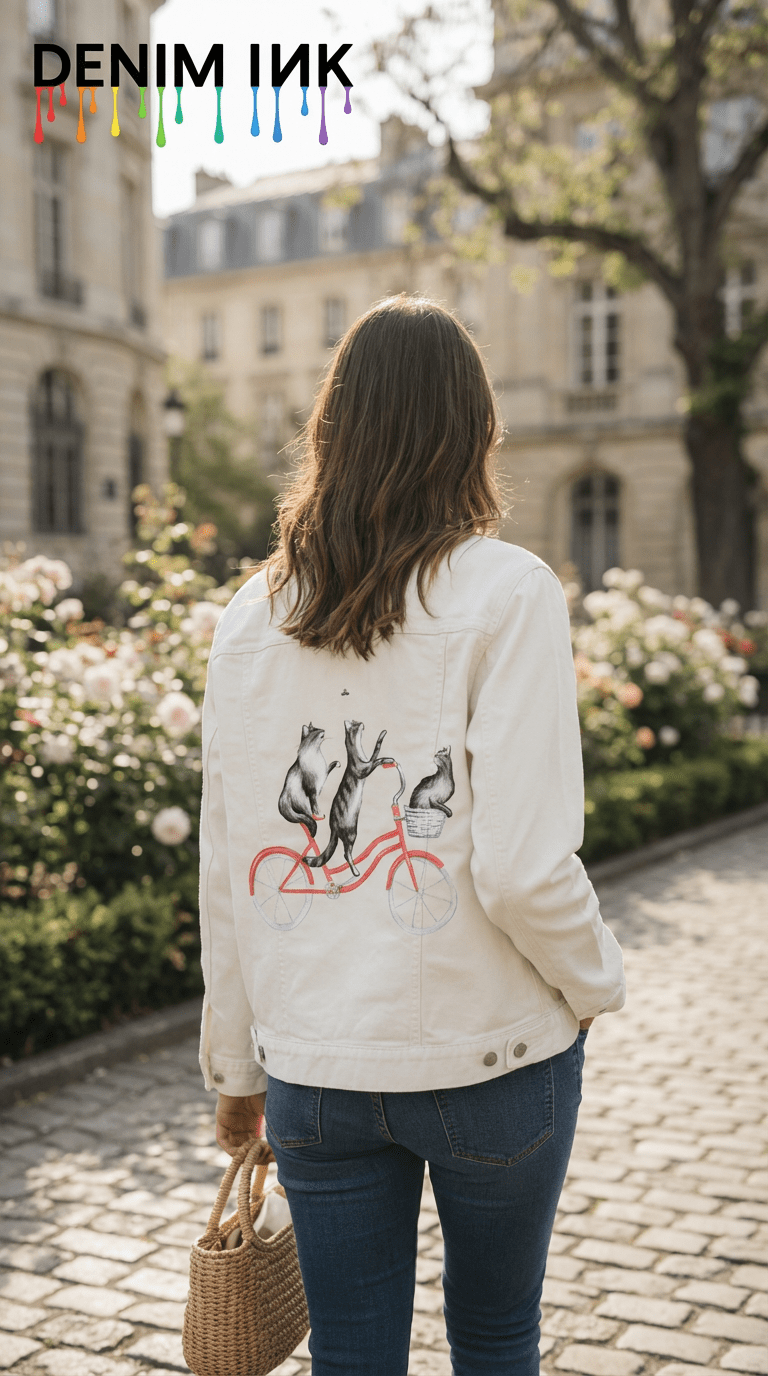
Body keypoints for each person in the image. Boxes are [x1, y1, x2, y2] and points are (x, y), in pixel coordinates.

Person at [200, 295, 625, 1376]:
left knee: (350, 1353)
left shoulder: (252, 615)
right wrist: (593, 982)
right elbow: (526, 865)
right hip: (494, 1055)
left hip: (316, 1069)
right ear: (471, 430)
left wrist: (234, 1063)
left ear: (330, 430)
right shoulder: (507, 589)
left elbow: (231, 868)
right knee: (493, 1336)